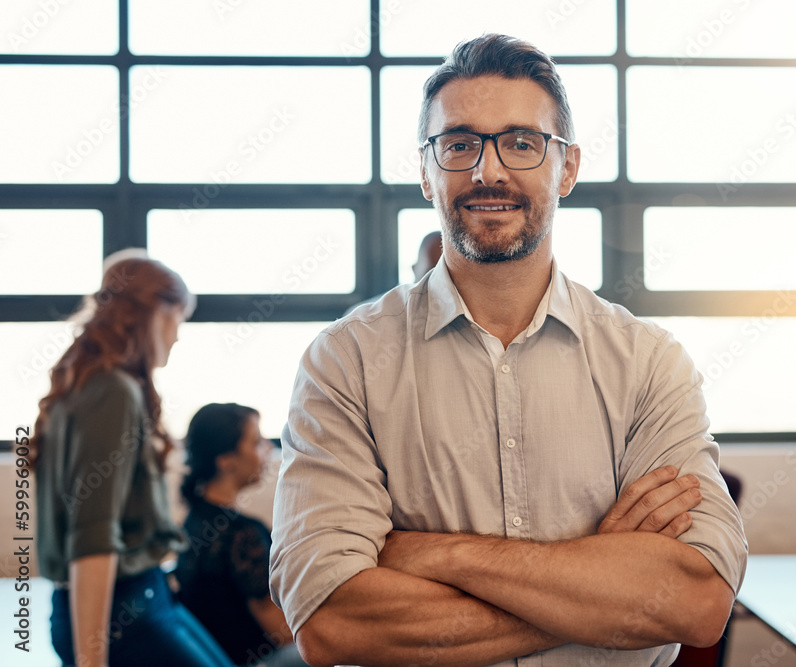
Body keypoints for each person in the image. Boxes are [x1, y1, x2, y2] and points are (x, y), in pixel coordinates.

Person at [271, 34, 748, 667]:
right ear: (425, 170)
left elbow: (696, 602)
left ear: (567, 167)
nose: (488, 170)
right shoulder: (346, 362)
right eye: (459, 144)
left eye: (522, 143)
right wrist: (599, 594)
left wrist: (436, 553)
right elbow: (332, 621)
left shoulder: (649, 362)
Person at [32, 251, 232, 667]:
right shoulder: (113, 391)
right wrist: (92, 660)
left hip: (139, 597)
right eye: (178, 318)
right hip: (122, 611)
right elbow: (93, 535)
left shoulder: (80, 385)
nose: (177, 336)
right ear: (153, 312)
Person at [176, 403, 306, 667]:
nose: (268, 449)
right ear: (226, 460)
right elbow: (281, 631)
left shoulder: (194, 519)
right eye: (257, 443)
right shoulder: (240, 533)